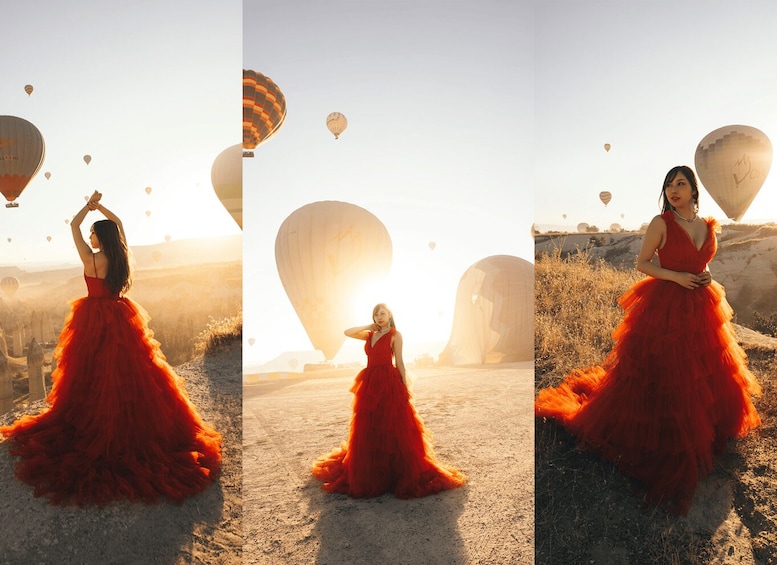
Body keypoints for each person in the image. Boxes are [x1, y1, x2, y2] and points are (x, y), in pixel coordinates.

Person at [535, 165, 761, 515]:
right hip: (667, 302)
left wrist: (704, 276)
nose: (674, 189)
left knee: (705, 367)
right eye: (669, 184)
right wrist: (678, 277)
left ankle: (709, 428)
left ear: (694, 190)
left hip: (701, 302)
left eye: (681, 183)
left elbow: (703, 261)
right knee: (669, 370)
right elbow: (643, 264)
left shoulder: (706, 225)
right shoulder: (661, 223)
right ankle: (671, 435)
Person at [0, 191, 221, 506]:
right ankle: (134, 425)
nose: (89, 235)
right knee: (129, 374)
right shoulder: (120, 255)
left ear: (99, 236)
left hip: (94, 318)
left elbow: (73, 227)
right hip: (120, 314)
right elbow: (117, 223)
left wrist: (85, 208)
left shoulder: (91, 259)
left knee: (92, 373)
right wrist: (100, 208)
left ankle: (96, 423)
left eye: (93, 232)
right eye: (91, 232)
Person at [312, 303, 466, 498]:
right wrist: (368, 326)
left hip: (388, 381)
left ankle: (395, 473)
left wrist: (404, 385)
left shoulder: (395, 335)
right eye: (376, 314)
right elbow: (347, 332)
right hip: (369, 382)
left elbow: (399, 361)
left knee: (394, 425)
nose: (379, 317)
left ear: (390, 314)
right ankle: (374, 471)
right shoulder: (369, 335)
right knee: (370, 424)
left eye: (382, 313)